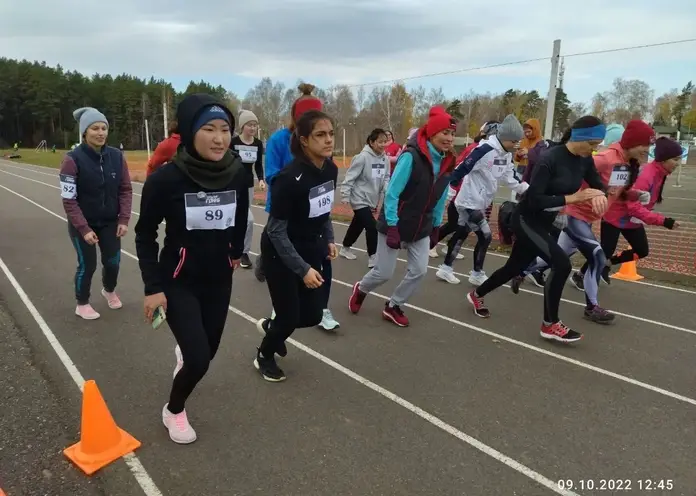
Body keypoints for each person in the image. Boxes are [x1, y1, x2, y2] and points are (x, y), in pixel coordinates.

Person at [134, 94, 249, 444]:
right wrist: (153, 287)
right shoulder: (166, 181)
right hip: (178, 280)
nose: (219, 138)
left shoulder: (237, 173)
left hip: (218, 280)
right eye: (209, 129)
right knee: (198, 360)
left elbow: (240, 216)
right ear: (188, 132)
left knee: (206, 353)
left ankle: (189, 349)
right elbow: (144, 233)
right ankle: (174, 410)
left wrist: (234, 253)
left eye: (225, 129)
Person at [466, 116, 610, 343]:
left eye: (597, 145)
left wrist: (600, 193)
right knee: (562, 264)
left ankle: (476, 294)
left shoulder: (585, 160)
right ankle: (550, 324)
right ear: (579, 137)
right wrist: (573, 198)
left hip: (544, 222)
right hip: (525, 219)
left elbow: (596, 183)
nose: (594, 150)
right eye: (592, 144)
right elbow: (534, 199)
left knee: (513, 268)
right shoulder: (550, 158)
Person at [348, 106, 457, 327]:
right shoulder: (412, 157)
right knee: (383, 272)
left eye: (452, 134)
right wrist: (393, 226)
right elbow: (392, 193)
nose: (449, 138)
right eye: (445, 132)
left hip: (422, 226)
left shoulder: (447, 161)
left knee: (419, 271)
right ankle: (361, 289)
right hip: (395, 222)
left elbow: (440, 196)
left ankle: (394, 306)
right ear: (433, 132)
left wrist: (436, 225)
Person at [254, 110, 338, 381]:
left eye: (331, 134)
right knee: (289, 316)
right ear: (303, 140)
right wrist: (302, 269)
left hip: (312, 247)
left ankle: (272, 327)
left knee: (313, 314)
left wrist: (330, 239)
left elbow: (323, 210)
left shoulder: (331, 169)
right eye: (320, 135)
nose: (328, 140)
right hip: (280, 252)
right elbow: (276, 231)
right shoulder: (288, 179)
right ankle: (264, 355)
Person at [436, 115, 528, 285]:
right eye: (514, 141)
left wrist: (527, 190)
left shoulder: (506, 154)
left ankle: (445, 268)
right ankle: (477, 273)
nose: (516, 145)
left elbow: (510, 177)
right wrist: (448, 193)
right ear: (504, 137)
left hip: (481, 201)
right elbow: (460, 169)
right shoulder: (484, 150)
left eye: (518, 141)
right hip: (468, 201)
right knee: (485, 236)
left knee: (461, 233)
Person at [59, 107, 133, 320]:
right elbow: (69, 199)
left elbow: (125, 189)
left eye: (104, 128)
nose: (100, 133)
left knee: (113, 262)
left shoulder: (117, 157)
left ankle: (109, 290)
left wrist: (124, 218)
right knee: (88, 264)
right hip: (82, 224)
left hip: (110, 222)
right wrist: (83, 228)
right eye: (94, 128)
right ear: (84, 132)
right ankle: (82, 303)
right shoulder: (72, 160)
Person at [570, 120, 655, 289]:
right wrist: (587, 196)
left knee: (634, 251)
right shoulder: (607, 157)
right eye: (644, 145)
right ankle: (528, 270)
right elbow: (575, 174)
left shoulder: (629, 162)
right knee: (562, 255)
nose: (647, 150)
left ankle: (589, 285)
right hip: (583, 214)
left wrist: (635, 194)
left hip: (608, 214)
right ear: (632, 142)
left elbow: (617, 190)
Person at [595, 136, 682, 272]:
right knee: (604, 251)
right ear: (664, 159)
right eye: (675, 159)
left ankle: (607, 264)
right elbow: (633, 206)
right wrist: (664, 221)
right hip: (614, 216)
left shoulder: (660, 173)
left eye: (679, 159)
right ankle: (582, 275)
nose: (678, 163)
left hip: (631, 219)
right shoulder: (647, 175)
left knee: (641, 250)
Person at [429, 121, 499, 259]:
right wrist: (455, 188)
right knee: (454, 225)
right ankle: (431, 245)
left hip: (477, 198)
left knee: (463, 227)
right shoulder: (476, 149)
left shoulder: (494, 152)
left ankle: (449, 249)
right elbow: (459, 167)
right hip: (462, 195)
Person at [339, 128, 390, 267]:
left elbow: (386, 177)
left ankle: (345, 247)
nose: (383, 145)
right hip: (359, 198)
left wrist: (387, 190)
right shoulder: (362, 157)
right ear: (372, 142)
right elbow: (350, 176)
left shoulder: (385, 159)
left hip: (372, 199)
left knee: (358, 224)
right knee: (372, 227)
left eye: (385, 142)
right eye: (380, 142)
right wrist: (345, 194)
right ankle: (373, 257)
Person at [230, 110, 266, 269]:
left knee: (247, 219)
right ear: (242, 126)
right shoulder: (233, 142)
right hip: (231, 185)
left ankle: (244, 252)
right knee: (235, 217)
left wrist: (261, 179)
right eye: (250, 125)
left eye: (255, 125)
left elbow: (258, 165)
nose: (253, 128)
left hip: (248, 186)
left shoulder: (258, 144)